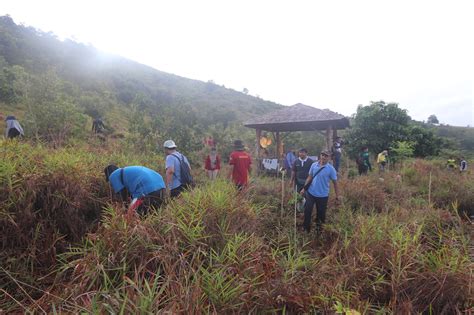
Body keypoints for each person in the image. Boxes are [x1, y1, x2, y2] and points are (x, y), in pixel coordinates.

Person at [299, 150, 340, 234]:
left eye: (326, 156)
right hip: (311, 193)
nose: (324, 157)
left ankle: (319, 231)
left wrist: (337, 195)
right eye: (322, 155)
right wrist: (304, 189)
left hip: (323, 195)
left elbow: (335, 183)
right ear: (320, 155)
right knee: (307, 211)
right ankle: (306, 229)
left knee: (321, 215)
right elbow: (309, 177)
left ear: (329, 158)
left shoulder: (331, 169)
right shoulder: (314, 165)